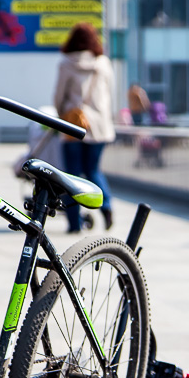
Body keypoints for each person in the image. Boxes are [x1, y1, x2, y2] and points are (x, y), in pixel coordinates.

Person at [53, 22, 116, 232]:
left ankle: (74, 223)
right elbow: (109, 95)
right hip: (99, 127)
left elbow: (59, 98)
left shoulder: (66, 64)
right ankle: (106, 207)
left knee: (71, 176)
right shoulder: (103, 63)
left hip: (74, 126)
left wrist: (63, 113)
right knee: (93, 170)